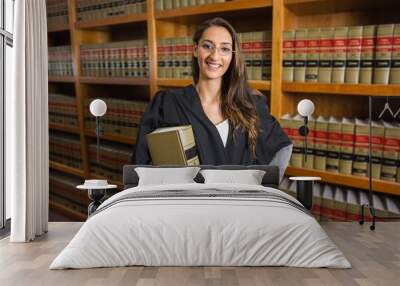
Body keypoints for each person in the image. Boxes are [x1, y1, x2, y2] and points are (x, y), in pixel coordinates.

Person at [132, 17, 292, 175]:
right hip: (187, 200)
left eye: (225, 49)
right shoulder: (167, 103)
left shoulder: (251, 105)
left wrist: (262, 194)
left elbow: (281, 147)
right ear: (195, 49)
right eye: (207, 46)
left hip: (236, 200)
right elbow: (139, 167)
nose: (215, 56)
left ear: (233, 55)